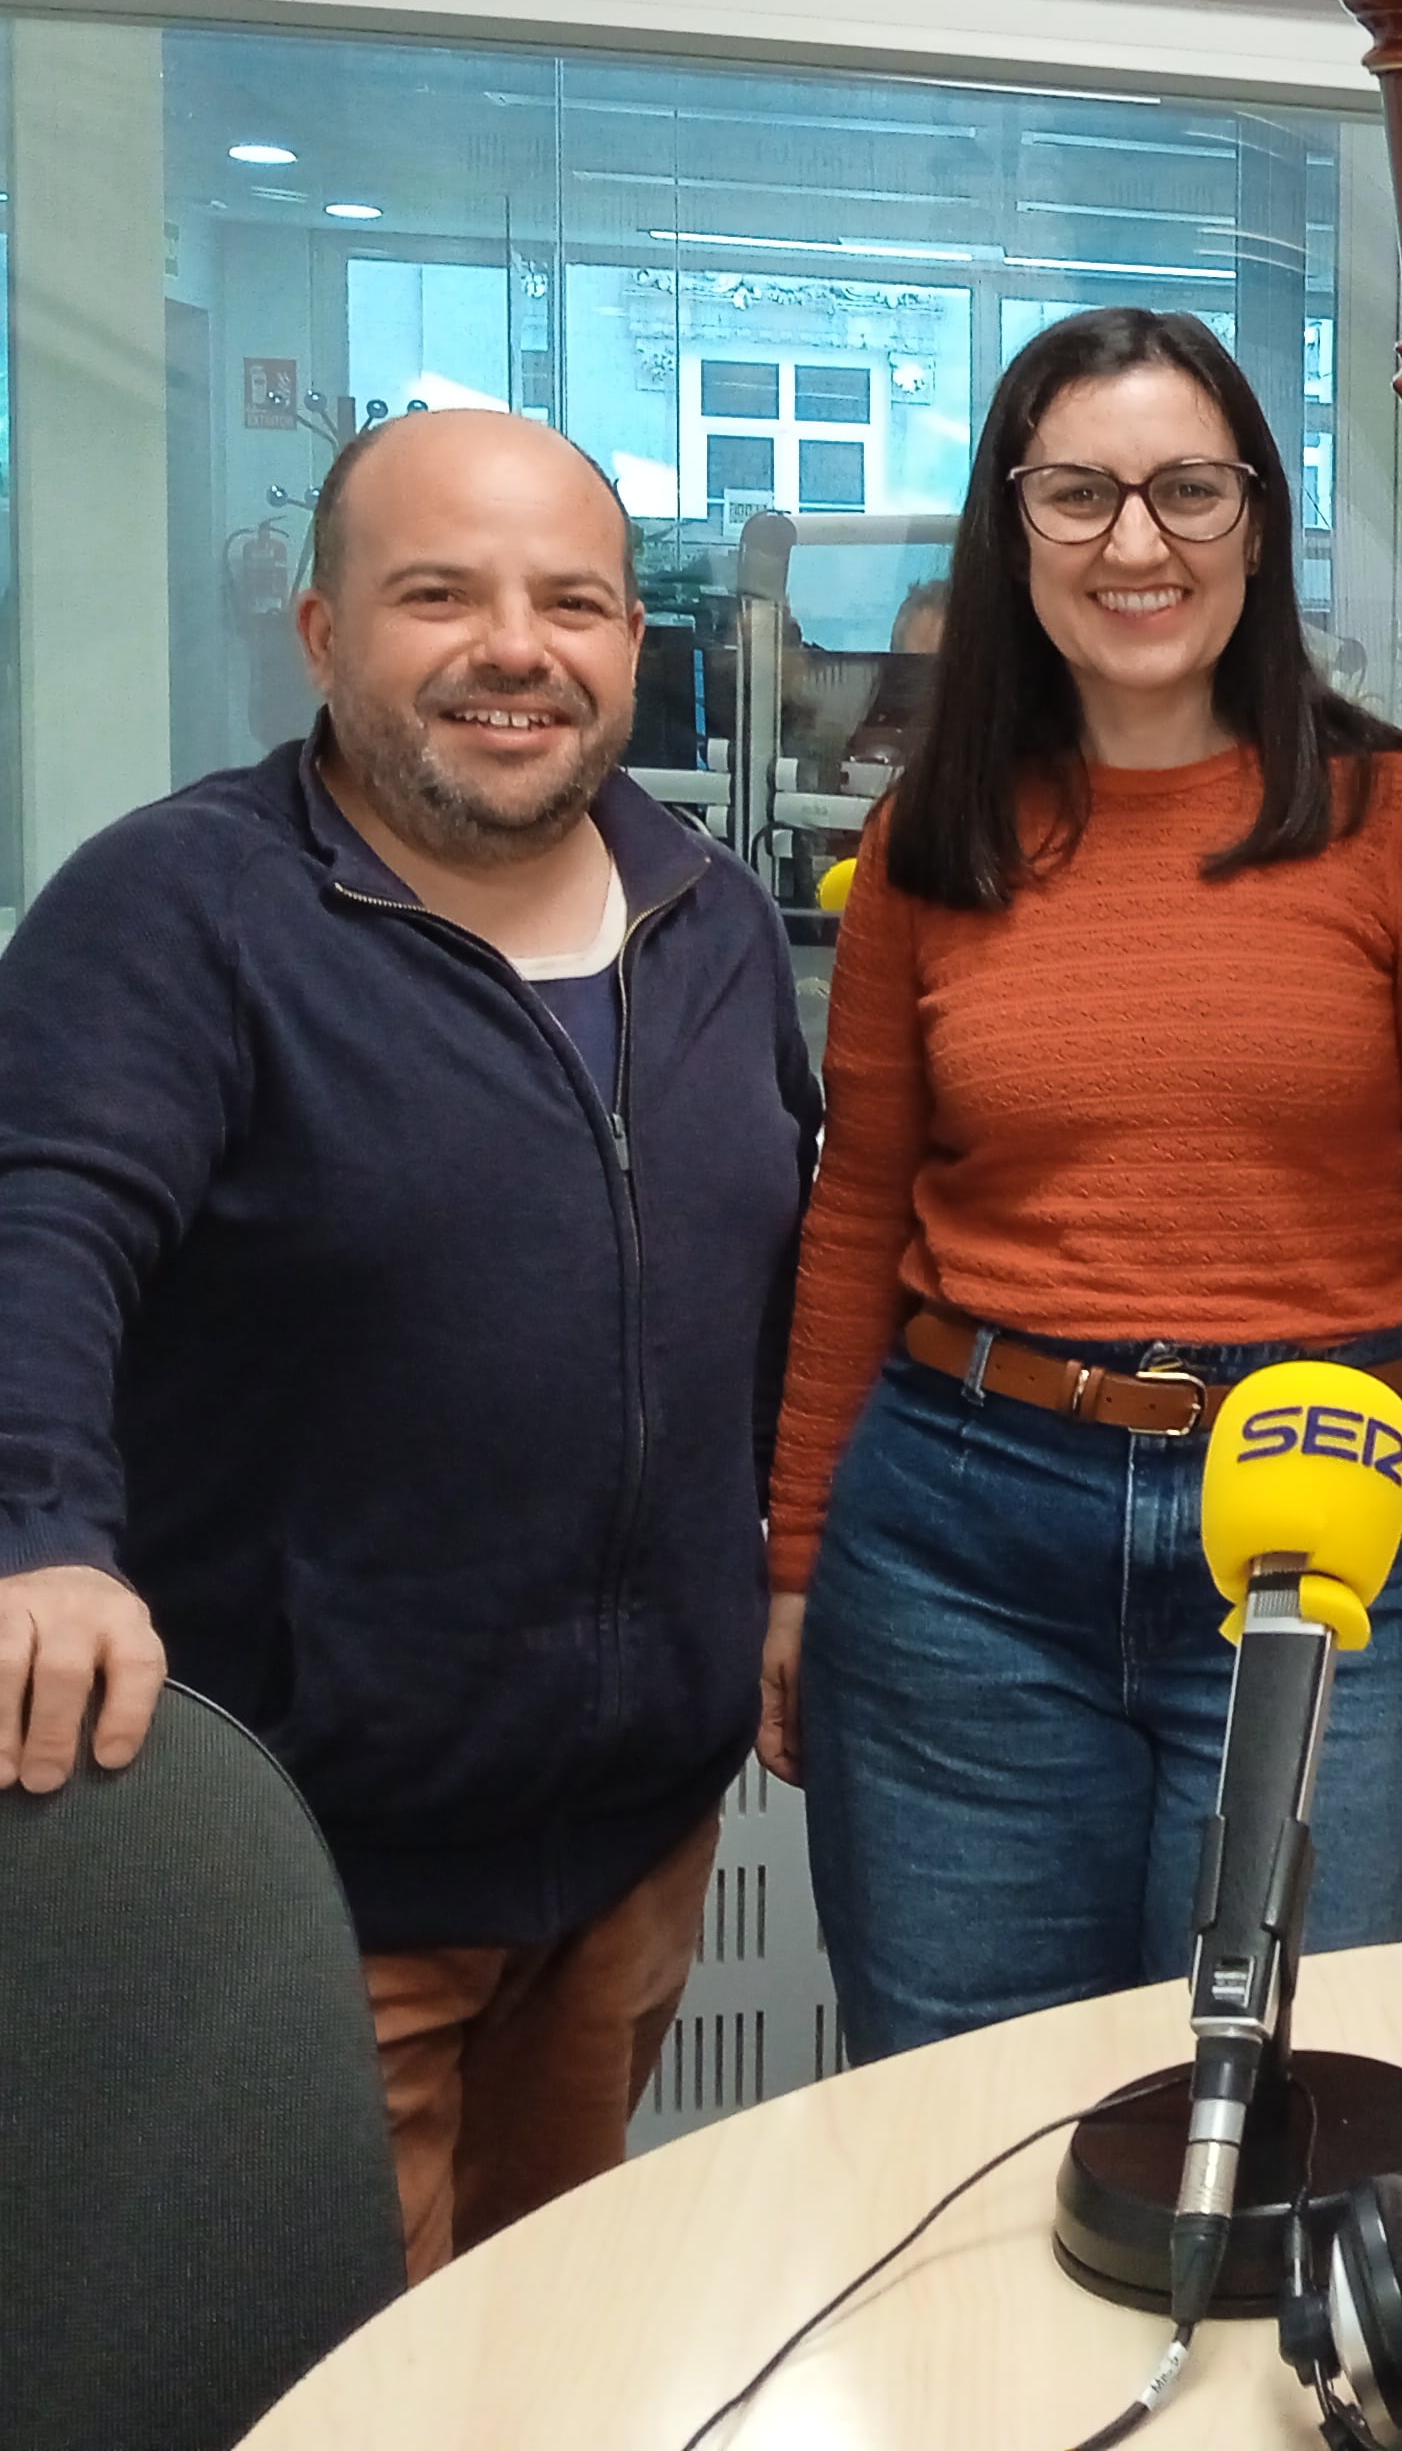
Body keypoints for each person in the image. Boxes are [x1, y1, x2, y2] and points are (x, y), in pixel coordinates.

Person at [763, 309, 1402, 2061]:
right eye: (1078, 494)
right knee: (964, 2107)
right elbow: (860, 1207)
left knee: (1296, 2096)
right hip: (960, 1537)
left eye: (1189, 490)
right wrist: (795, 1563)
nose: (1138, 544)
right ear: (1012, 532)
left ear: (1260, 519)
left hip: (1331, 1521)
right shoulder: (924, 848)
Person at [0, 408, 819, 2278]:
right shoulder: (180, 910)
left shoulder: (707, 925)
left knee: (540, 2345)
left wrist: (789, 1570)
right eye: (437, 595)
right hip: (304, 1882)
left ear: (630, 643)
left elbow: (772, 1284)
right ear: (320, 637)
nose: (512, 649)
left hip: (625, 1848)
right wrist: (33, 1528)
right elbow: (40, 1221)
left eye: (571, 602)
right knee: (329, 2383)